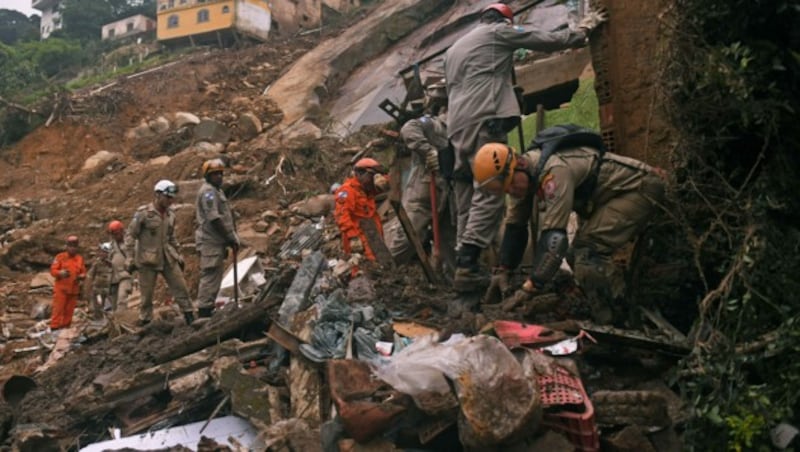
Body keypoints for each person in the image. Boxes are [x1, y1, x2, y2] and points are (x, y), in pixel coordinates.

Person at [444, 3, 606, 292]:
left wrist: (506, 90)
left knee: (467, 190)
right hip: (484, 119)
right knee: (493, 188)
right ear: (504, 21)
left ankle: (464, 261)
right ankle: (469, 265)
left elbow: (475, 79)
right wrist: (580, 32)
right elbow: (543, 40)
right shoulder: (498, 32)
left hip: (456, 125)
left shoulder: (455, 48)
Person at [472, 139, 666, 323]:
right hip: (608, 197)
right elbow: (515, 227)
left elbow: (554, 241)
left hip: (638, 188)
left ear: (520, 163)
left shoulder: (553, 172)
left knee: (587, 253)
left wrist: (531, 286)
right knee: (576, 256)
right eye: (506, 190)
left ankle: (617, 319)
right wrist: (503, 270)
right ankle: (607, 307)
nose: (512, 192)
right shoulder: (522, 176)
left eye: (512, 184)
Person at [386, 81, 455, 266]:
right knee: (407, 238)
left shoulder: (458, 132)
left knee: (449, 241)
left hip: (445, 195)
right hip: (422, 194)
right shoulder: (432, 124)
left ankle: (453, 280)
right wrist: (428, 151)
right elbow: (409, 129)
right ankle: (385, 275)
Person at [125, 180, 195, 326]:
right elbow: (131, 235)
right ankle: (146, 323)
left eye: (172, 198)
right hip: (147, 259)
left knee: (180, 287)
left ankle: (190, 316)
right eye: (167, 197)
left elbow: (171, 237)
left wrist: (178, 253)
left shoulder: (170, 215)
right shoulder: (144, 214)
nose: (170, 201)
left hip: (167, 257)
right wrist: (130, 258)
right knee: (147, 296)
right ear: (158, 195)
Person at [195, 158, 239, 318]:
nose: (219, 177)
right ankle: (204, 311)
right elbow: (214, 218)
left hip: (216, 242)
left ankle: (208, 308)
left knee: (215, 276)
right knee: (210, 276)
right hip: (210, 242)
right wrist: (229, 237)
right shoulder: (208, 192)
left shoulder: (217, 191)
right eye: (214, 175)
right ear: (207, 176)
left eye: (220, 174)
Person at [334, 158, 389, 261]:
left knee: (381, 265)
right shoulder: (347, 190)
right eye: (372, 176)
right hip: (360, 239)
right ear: (359, 174)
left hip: (374, 237)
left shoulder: (367, 188)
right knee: (363, 268)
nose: (374, 179)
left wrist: (385, 181)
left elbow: (387, 181)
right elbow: (341, 216)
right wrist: (353, 237)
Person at [49, 235, 87, 330]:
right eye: (71, 246)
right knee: (58, 309)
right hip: (61, 289)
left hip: (73, 289)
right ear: (67, 246)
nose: (72, 248)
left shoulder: (79, 258)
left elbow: (83, 271)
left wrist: (82, 276)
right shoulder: (60, 257)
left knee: (69, 311)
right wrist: (60, 273)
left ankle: (65, 328)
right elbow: (53, 271)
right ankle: (54, 327)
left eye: (75, 246)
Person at [107, 220, 132, 312]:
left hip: (125, 275)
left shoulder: (129, 242)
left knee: (122, 299)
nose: (115, 236)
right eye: (113, 234)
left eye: (117, 233)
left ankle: (122, 320)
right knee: (114, 304)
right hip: (114, 277)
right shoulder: (111, 245)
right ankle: (116, 322)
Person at [86, 242, 114, 319]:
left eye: (104, 252)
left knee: (112, 308)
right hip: (98, 289)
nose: (102, 254)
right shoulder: (97, 263)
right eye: (101, 252)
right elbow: (90, 276)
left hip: (109, 290)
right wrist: (88, 289)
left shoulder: (113, 264)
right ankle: (98, 319)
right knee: (98, 307)